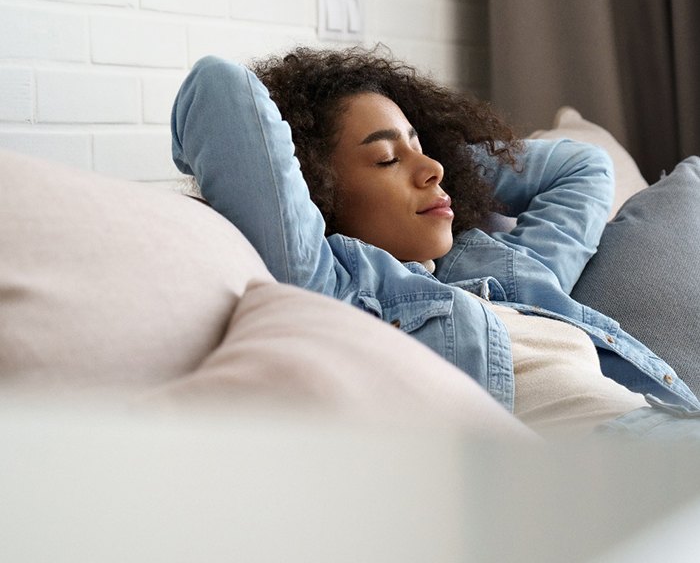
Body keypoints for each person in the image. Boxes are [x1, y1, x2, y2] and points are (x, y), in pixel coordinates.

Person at [171, 46, 700, 441]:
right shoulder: (338, 286)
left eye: (420, 146)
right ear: (318, 192)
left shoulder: (510, 271)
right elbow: (220, 89)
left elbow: (582, 167)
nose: (433, 170)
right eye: (385, 160)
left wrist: (433, 156)